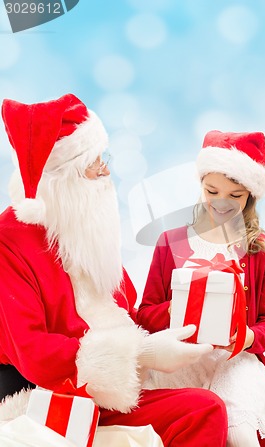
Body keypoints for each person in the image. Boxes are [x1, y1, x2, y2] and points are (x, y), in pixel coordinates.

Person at [0, 94, 228, 446]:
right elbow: (34, 353)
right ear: (64, 178)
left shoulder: (80, 227)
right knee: (204, 410)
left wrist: (189, 309)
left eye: (104, 158)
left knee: (211, 403)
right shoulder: (9, 242)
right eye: (95, 162)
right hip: (50, 397)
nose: (106, 171)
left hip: (109, 391)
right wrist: (141, 354)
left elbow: (126, 315)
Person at [137, 130, 265, 447]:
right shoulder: (171, 242)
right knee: (187, 422)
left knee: (237, 430)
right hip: (181, 358)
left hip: (235, 360)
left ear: (250, 196)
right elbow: (145, 315)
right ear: (201, 185)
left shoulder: (264, 251)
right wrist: (179, 308)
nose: (221, 203)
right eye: (212, 190)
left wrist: (247, 337)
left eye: (235, 196)